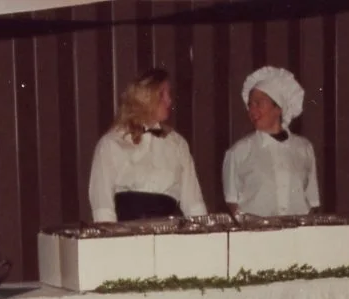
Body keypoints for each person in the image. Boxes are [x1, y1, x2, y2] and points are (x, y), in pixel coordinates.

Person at [88, 67, 208, 223]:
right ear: (145, 97)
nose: (169, 101)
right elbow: (102, 205)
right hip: (126, 236)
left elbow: (194, 204)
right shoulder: (111, 144)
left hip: (168, 237)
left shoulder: (177, 144)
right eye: (163, 94)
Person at [222, 66, 320, 218]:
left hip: (298, 237)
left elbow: (312, 201)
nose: (252, 111)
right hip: (257, 237)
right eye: (250, 105)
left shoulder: (304, 148)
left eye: (258, 103)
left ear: (278, 108)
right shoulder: (238, 152)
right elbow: (232, 201)